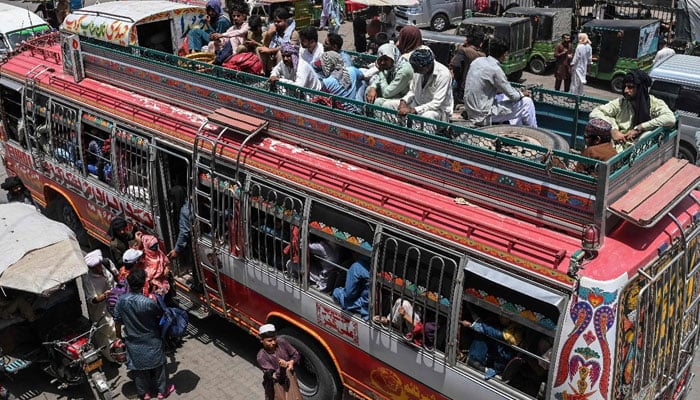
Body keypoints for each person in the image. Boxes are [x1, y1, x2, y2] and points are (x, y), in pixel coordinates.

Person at [114, 268, 175, 400]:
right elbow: (159, 316)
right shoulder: (148, 302)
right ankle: (162, 392)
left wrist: (118, 337)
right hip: (152, 339)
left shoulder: (121, 301)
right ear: (143, 284)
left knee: (138, 369)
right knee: (159, 366)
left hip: (133, 340)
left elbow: (117, 321)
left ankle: (145, 394)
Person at [589, 69, 676, 153]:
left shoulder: (655, 104)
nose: (626, 90)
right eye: (625, 87)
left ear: (640, 88)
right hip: (618, 147)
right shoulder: (621, 103)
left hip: (638, 153)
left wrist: (640, 127)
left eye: (630, 87)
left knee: (647, 135)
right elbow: (595, 113)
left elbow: (670, 119)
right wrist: (613, 130)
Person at [463, 37, 537, 128]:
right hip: (483, 115)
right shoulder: (495, 69)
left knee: (503, 97)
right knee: (527, 102)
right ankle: (535, 132)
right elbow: (513, 96)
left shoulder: (477, 62)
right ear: (504, 54)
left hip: (471, 109)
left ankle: (516, 127)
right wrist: (523, 93)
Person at [388, 48, 453, 122]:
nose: (414, 71)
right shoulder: (418, 70)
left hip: (437, 111)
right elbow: (412, 91)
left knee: (428, 116)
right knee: (389, 105)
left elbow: (436, 103)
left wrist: (413, 110)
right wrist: (403, 102)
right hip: (416, 104)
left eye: (417, 68)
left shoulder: (443, 74)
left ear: (428, 66)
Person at [83, 249, 119, 362]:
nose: (98, 269)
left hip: (116, 303)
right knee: (106, 333)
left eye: (99, 266)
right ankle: (111, 358)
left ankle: (120, 350)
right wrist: (104, 295)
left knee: (118, 328)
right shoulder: (87, 277)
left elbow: (117, 275)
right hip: (101, 311)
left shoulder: (107, 263)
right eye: (95, 269)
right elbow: (92, 299)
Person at [256, 324, 302, 400]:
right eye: (269, 341)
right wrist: (282, 368)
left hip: (290, 379)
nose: (273, 342)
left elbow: (296, 354)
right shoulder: (261, 357)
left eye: (274, 339)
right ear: (261, 340)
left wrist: (291, 362)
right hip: (276, 386)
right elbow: (277, 379)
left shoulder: (281, 342)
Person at [258, 7, 299, 75]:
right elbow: (265, 46)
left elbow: (288, 49)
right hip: (272, 56)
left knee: (281, 53)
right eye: (275, 21)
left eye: (279, 21)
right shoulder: (274, 30)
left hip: (288, 60)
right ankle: (263, 74)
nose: (276, 24)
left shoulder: (293, 33)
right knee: (259, 49)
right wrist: (268, 34)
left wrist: (270, 50)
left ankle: (280, 77)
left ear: (286, 21)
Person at [450, 32, 485, 104]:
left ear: (467, 40)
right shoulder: (483, 56)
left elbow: (455, 65)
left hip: (462, 88)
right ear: (481, 43)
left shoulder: (463, 51)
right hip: (477, 90)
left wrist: (458, 78)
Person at [332, 254, 370, 320]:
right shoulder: (377, 264)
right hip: (370, 304)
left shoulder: (357, 266)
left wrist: (338, 291)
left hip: (363, 306)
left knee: (336, 292)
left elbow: (348, 294)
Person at [570, 33, 592, 97]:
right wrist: (589, 67)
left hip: (577, 67)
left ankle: (573, 98)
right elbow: (589, 59)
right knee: (581, 83)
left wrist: (572, 64)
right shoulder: (589, 47)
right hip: (583, 68)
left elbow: (576, 58)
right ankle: (580, 96)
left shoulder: (579, 46)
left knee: (575, 83)